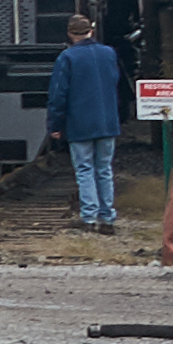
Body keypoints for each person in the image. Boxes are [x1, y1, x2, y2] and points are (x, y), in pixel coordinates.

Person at [49, 12, 129, 229]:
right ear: (91, 31)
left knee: (85, 169)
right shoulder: (108, 53)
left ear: (70, 34)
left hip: (79, 124)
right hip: (107, 122)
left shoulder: (67, 58)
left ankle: (89, 217)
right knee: (104, 169)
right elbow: (116, 83)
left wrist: (55, 125)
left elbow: (58, 94)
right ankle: (108, 217)